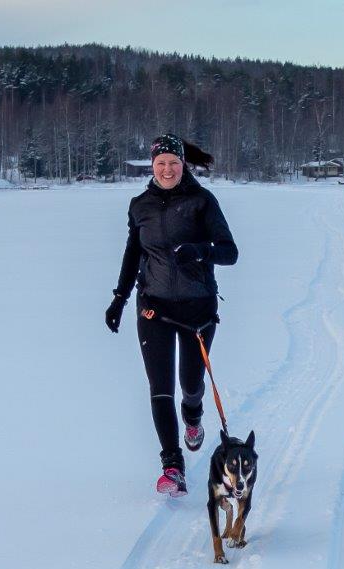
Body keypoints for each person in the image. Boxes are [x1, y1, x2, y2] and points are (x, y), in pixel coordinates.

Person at [105, 133, 238, 495]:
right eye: (161, 163)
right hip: (154, 307)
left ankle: (192, 416)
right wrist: (120, 297)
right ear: (152, 166)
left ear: (183, 166)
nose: (167, 169)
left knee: (191, 384)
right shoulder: (140, 205)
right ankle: (173, 467)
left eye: (173, 163)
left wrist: (198, 250)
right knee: (159, 387)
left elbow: (229, 251)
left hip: (198, 309)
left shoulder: (202, 202)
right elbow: (134, 255)